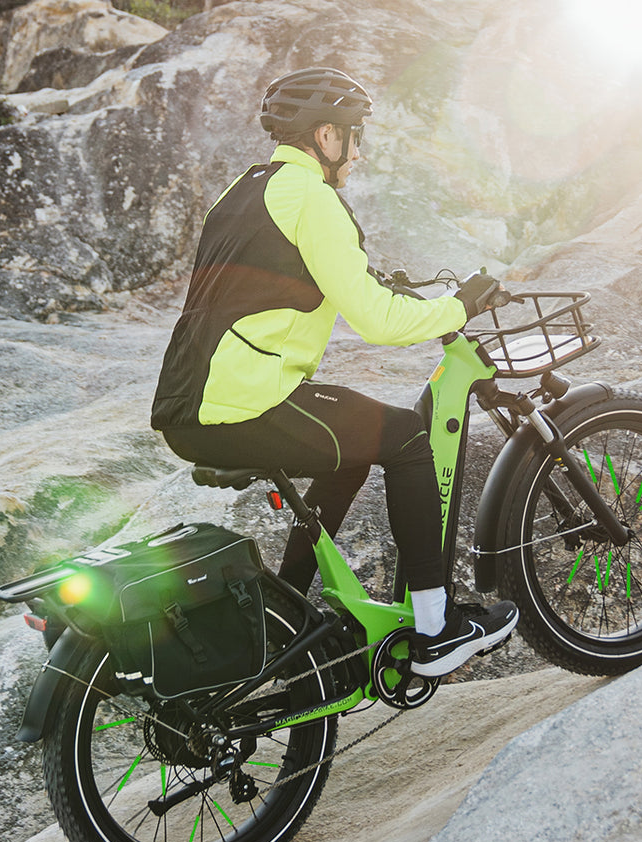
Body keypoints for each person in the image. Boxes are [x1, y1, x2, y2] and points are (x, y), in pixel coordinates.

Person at [151, 67, 517, 678]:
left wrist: (379, 281)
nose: (357, 150)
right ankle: (436, 627)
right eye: (353, 134)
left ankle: (285, 618)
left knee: (348, 448)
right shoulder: (315, 199)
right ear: (325, 137)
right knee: (402, 435)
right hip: (245, 400)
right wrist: (461, 306)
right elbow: (375, 321)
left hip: (192, 403)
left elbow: (273, 274)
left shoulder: (243, 189)